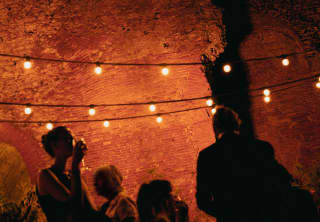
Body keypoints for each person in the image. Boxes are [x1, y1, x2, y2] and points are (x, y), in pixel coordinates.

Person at [196, 105, 294, 222]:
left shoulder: (207, 156)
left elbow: (202, 200)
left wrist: (224, 212)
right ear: (237, 124)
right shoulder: (261, 147)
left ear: (215, 127)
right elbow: (282, 180)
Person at [36, 126, 96, 222]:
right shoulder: (45, 175)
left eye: (72, 139)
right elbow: (74, 205)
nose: (72, 142)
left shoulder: (71, 174)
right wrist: (75, 165)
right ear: (54, 145)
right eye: (67, 139)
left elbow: (89, 206)